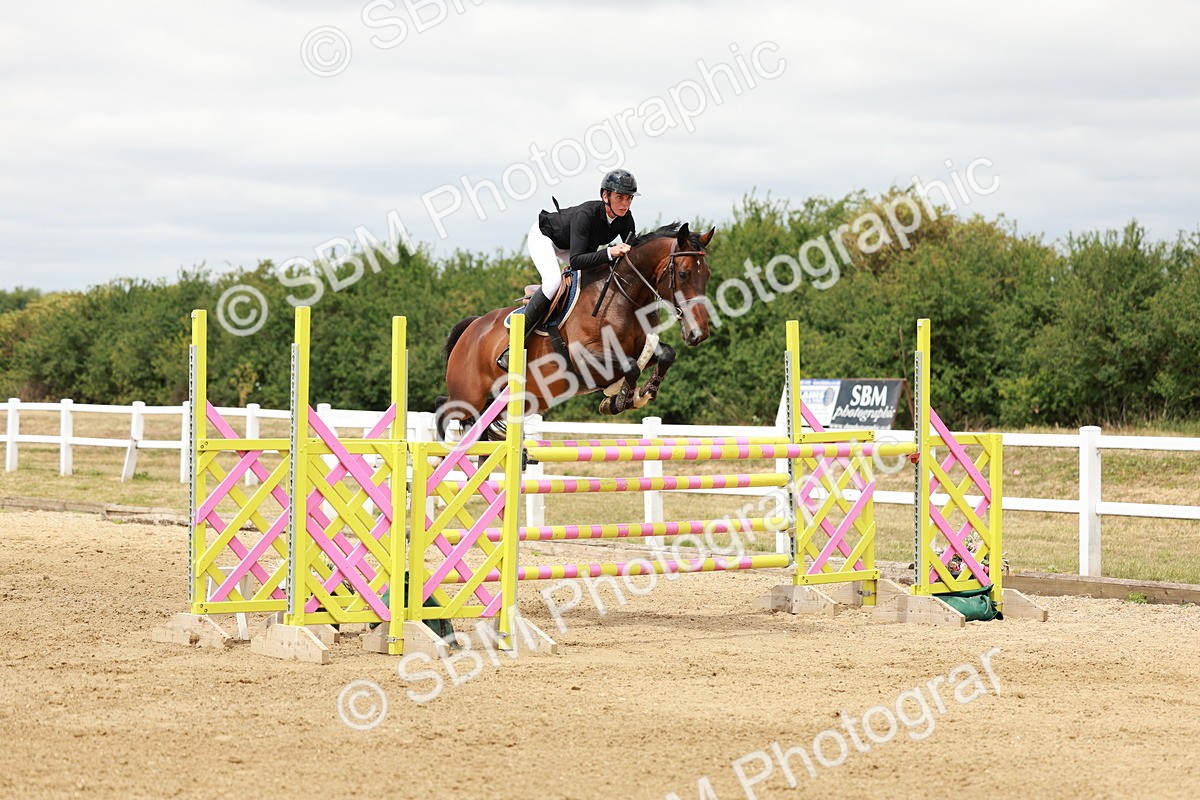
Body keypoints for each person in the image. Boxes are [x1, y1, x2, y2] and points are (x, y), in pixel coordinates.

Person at [496, 168, 639, 370]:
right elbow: (578, 260)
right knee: (554, 281)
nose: (625, 204)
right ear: (605, 196)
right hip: (546, 237)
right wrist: (609, 252)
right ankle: (512, 347)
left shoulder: (626, 219)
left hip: (574, 246)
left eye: (629, 198)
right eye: (620, 197)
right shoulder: (586, 214)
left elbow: (632, 255)